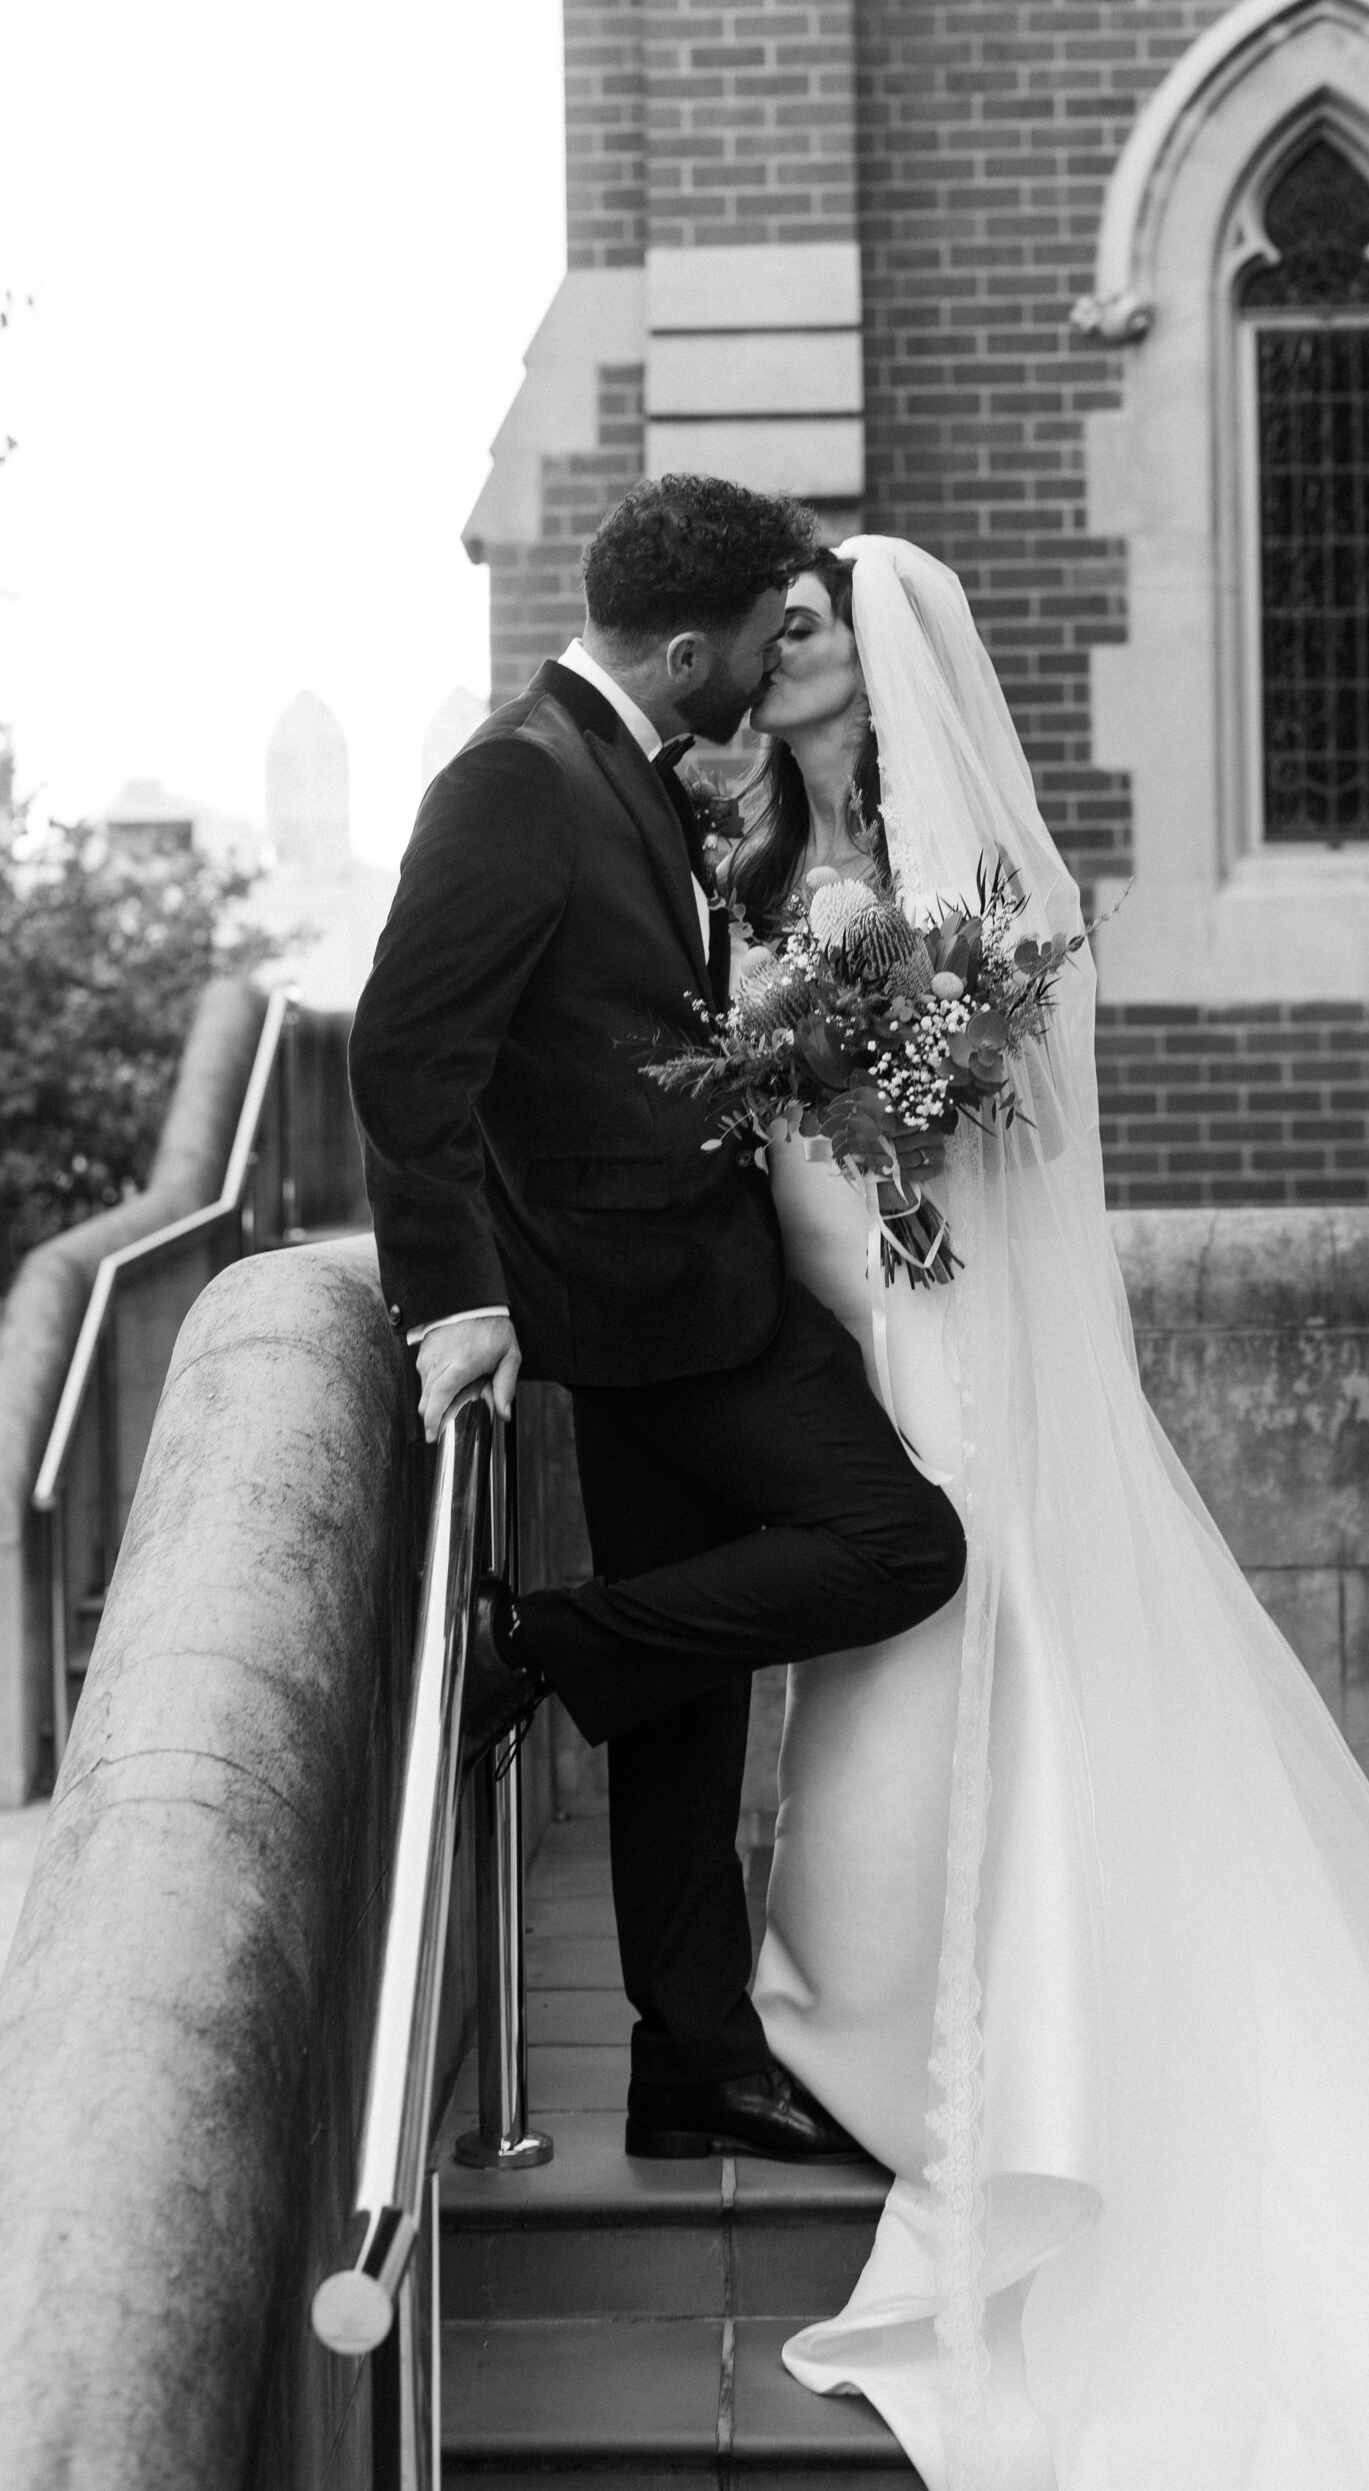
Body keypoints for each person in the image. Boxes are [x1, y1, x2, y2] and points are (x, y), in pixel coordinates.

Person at [733, 536, 1369, 2490]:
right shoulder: (821, 862)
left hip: (939, 1372)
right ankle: (922, 2047)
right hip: (871, 1356)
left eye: (804, 629)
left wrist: (845, 1134)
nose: (778, 655)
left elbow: (945, 1172)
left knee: (958, 1727)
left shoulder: (942, 890)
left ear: (877, 660)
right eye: (771, 628)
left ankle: (1004, 2095)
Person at [347, 479, 964, 2168]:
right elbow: (409, 1053)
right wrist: (460, 1296)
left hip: (699, 1285)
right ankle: (542, 1648)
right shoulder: (516, 782)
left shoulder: (622, 767)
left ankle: (689, 2058)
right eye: (756, 643)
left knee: (685, 1706)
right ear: (683, 645)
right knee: (902, 1543)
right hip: (645, 1311)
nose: (764, 673)